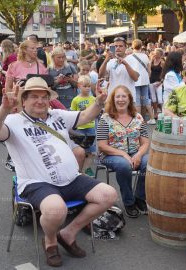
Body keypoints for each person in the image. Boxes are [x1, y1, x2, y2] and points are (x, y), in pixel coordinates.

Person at [0, 77, 117, 267]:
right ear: (24, 100)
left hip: (71, 179)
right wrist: (4, 108)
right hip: (36, 182)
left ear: (49, 99)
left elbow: (86, 116)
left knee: (108, 194)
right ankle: (51, 241)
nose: (40, 101)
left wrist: (99, 101)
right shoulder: (13, 121)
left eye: (44, 97)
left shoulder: (57, 115)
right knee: (56, 210)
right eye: (34, 97)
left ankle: (69, 232)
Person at [96, 85, 149, 218]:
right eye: (117, 96)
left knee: (149, 163)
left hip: (135, 152)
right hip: (110, 155)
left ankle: (140, 197)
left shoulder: (138, 117)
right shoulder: (106, 118)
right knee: (123, 165)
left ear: (129, 99)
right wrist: (124, 154)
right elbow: (101, 145)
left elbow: (145, 142)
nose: (121, 99)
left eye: (124, 96)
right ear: (113, 99)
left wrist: (138, 155)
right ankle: (129, 201)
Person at [98, 37, 139, 102]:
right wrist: (105, 61)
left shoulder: (132, 59)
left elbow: (135, 78)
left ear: (126, 47)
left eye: (120, 46)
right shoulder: (111, 61)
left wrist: (126, 64)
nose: (118, 48)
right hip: (112, 97)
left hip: (127, 97)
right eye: (116, 46)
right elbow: (101, 75)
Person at [71, 75, 97, 177]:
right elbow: (73, 114)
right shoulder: (75, 100)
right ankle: (79, 170)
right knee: (80, 150)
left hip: (90, 127)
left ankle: (88, 169)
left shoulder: (93, 99)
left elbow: (96, 111)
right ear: (79, 86)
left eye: (89, 86)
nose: (87, 88)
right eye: (85, 86)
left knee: (90, 150)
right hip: (79, 128)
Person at [130, 39, 155, 123]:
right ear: (141, 46)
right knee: (146, 99)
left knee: (137, 101)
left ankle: (140, 121)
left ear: (132, 46)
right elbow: (149, 70)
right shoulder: (145, 56)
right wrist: (148, 78)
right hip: (145, 80)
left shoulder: (130, 57)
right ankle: (152, 118)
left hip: (135, 80)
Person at [149, 48, 164, 119]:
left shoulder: (162, 62)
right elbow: (148, 70)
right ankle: (155, 113)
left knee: (160, 100)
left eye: (157, 53)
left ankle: (163, 113)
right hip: (151, 82)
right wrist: (150, 60)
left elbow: (164, 73)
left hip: (159, 82)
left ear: (160, 55)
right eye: (155, 53)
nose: (155, 54)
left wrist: (161, 82)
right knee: (153, 99)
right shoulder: (151, 61)